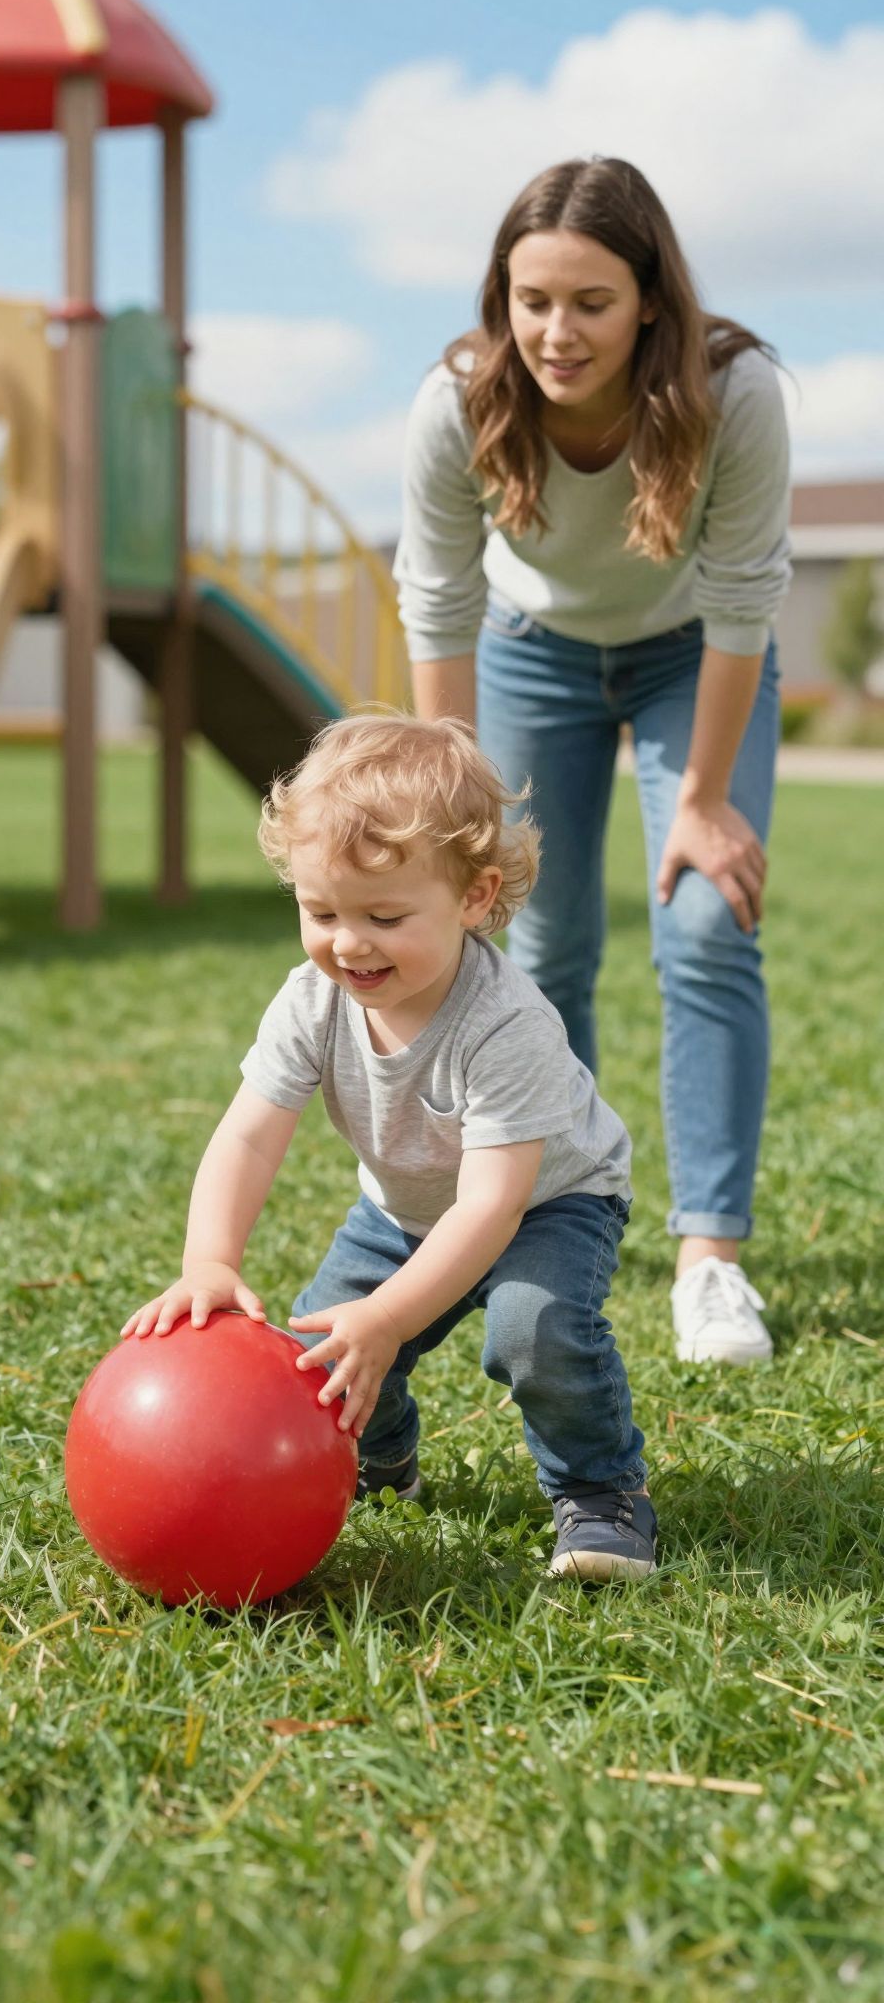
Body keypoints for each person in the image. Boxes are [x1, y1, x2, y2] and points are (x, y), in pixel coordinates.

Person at [394, 156, 791, 1368]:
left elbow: (742, 600)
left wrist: (708, 801)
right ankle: (544, 1215)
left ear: (651, 301)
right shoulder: (458, 403)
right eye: (532, 301)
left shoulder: (736, 392)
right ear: (501, 300)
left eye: (591, 303)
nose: (557, 333)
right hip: (528, 653)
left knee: (709, 926)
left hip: (695, 656)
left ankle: (710, 1259)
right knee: (539, 942)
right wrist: (453, 802)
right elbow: (439, 603)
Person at [124, 713, 655, 1583]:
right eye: (320, 909)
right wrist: (209, 1261)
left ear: (476, 898)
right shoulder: (312, 1002)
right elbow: (250, 1135)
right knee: (324, 1348)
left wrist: (391, 1316)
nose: (348, 942)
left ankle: (601, 1493)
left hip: (547, 1203)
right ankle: (382, 1457)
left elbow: (491, 1204)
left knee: (534, 1329)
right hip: (402, 1206)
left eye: (384, 915)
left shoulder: (507, 1025)